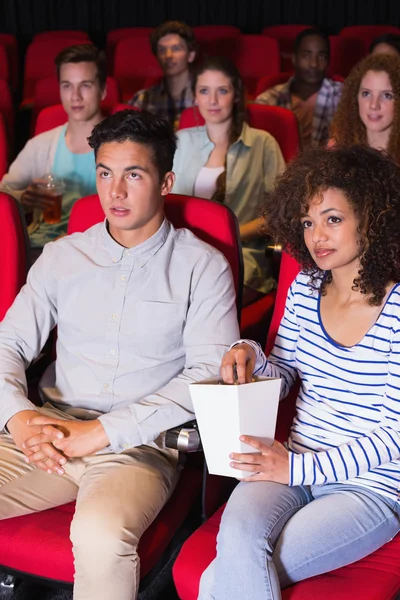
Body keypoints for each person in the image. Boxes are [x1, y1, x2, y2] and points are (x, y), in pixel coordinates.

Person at [0, 110, 239, 600]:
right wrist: (19, 418)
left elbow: (205, 377)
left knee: (101, 537)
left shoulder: (202, 266)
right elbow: (9, 343)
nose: (115, 191)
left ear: (166, 181)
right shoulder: (64, 256)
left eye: (134, 174)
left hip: (138, 445)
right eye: (105, 173)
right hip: (48, 428)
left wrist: (104, 432)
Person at [197, 145, 400, 600]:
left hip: (369, 488)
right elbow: (285, 371)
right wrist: (248, 352)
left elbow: (395, 436)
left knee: (217, 581)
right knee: (237, 544)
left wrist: (296, 466)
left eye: (333, 219)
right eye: (308, 222)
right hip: (291, 462)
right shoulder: (305, 289)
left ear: (369, 218)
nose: (317, 236)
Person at [172, 56, 285, 305]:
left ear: (236, 95)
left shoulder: (263, 143)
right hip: (182, 254)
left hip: (242, 255)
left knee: (201, 303)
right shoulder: (181, 141)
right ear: (195, 97)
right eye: (204, 91)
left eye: (222, 90)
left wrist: (229, 235)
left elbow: (281, 214)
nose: (212, 100)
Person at [0, 44, 107, 258]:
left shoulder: (123, 146)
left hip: (99, 251)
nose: (75, 96)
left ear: (103, 90)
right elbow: (4, 195)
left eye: (85, 85)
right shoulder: (41, 145)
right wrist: (24, 197)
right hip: (42, 250)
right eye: (67, 86)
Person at [255, 28, 343, 148]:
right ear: (294, 58)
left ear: (328, 62)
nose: (314, 64)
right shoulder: (268, 100)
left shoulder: (343, 96)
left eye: (322, 57)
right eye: (306, 55)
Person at [330, 53, 400, 162]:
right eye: (366, 93)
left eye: (387, 95)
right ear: (354, 98)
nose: (373, 105)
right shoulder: (337, 149)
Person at [128, 21, 197, 129]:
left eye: (176, 48)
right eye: (162, 50)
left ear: (191, 55)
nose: (168, 55)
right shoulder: (143, 99)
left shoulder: (205, 96)